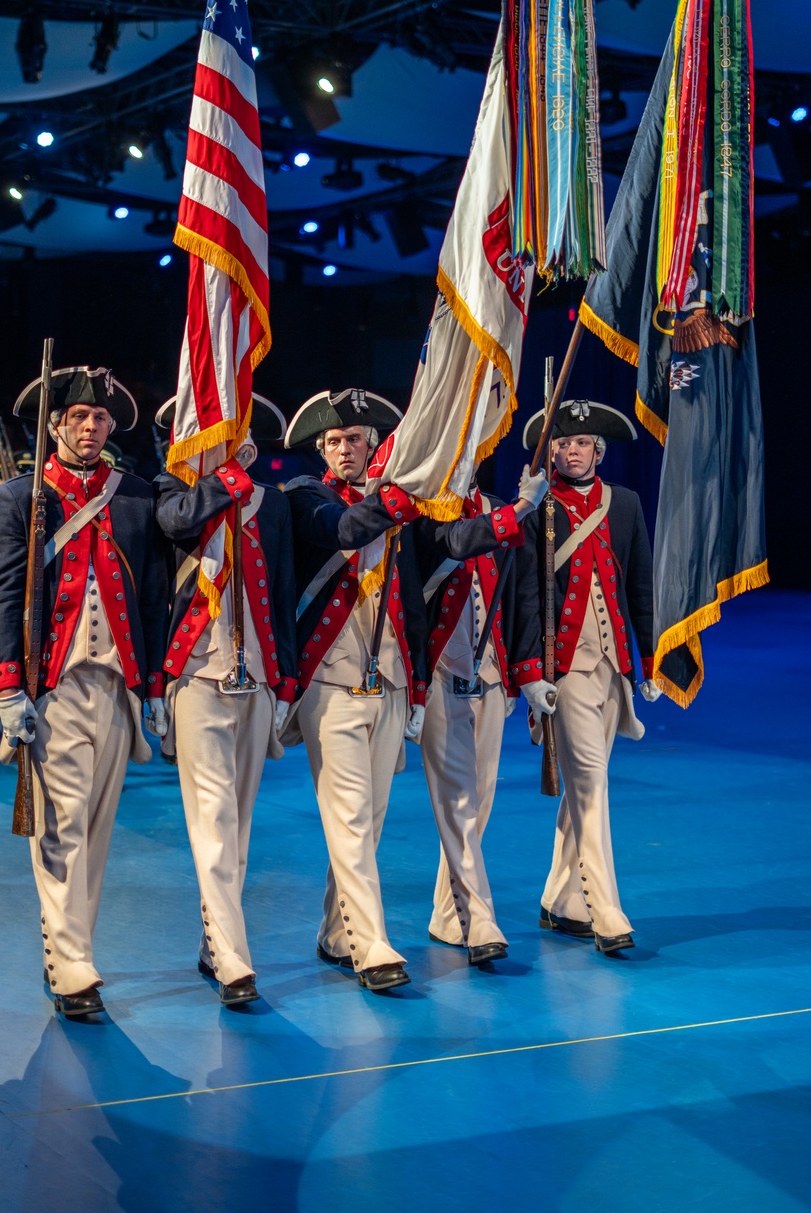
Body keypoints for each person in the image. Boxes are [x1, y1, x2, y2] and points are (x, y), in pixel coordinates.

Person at [0, 366, 168, 1018]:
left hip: (118, 686)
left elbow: (150, 598)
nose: (91, 428)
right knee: (60, 827)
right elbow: (7, 595)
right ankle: (73, 964)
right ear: (55, 424)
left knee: (95, 829)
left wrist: (156, 687)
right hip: (54, 683)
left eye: (101, 420)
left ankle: (69, 948)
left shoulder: (136, 495)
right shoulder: (21, 497)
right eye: (79, 418)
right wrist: (7, 687)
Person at [154, 395, 297, 1007]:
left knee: (236, 826)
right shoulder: (168, 491)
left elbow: (285, 593)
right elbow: (179, 523)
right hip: (196, 676)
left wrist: (286, 682)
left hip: (257, 678)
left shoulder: (274, 505)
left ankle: (216, 940)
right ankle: (236, 959)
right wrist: (225, 477)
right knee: (212, 820)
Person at [283, 388, 427, 993]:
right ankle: (370, 944)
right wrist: (396, 497)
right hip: (331, 680)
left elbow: (413, 598)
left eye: (358, 440)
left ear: (374, 448)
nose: (347, 449)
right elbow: (341, 530)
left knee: (369, 819)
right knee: (346, 815)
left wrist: (416, 687)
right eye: (336, 441)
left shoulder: (393, 506)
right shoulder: (303, 497)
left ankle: (336, 933)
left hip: (390, 677)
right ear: (323, 448)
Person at [523, 399, 659, 956]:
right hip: (567, 668)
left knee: (582, 783)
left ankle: (561, 899)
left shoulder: (622, 504)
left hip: (613, 666)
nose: (571, 451)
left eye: (581, 444)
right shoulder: (538, 505)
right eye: (562, 443)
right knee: (592, 783)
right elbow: (527, 595)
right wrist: (532, 670)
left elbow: (641, 589)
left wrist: (647, 662)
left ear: (598, 452)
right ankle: (604, 907)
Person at [414, 463, 550, 963]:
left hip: (490, 674)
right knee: (457, 799)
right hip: (441, 671)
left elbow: (523, 597)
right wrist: (521, 510)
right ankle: (478, 919)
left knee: (481, 796)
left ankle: (447, 914)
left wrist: (525, 673)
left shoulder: (500, 510)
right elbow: (457, 541)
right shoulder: (424, 511)